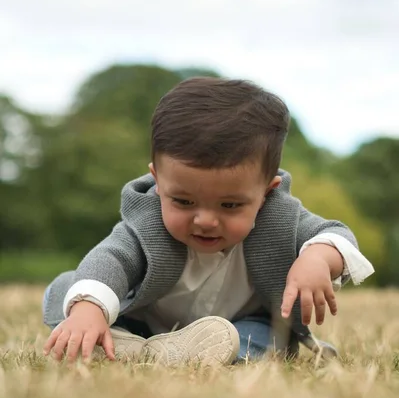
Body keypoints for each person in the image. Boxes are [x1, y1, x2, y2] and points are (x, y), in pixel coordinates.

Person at [42, 77, 374, 365]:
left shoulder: (279, 217)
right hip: (147, 321)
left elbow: (336, 234)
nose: (205, 220)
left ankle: (183, 352)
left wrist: (317, 257)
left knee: (263, 339)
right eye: (183, 201)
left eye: (229, 205)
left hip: (240, 324)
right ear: (158, 182)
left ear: (266, 192)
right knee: (96, 311)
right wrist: (90, 309)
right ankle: (125, 342)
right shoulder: (147, 221)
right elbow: (112, 258)